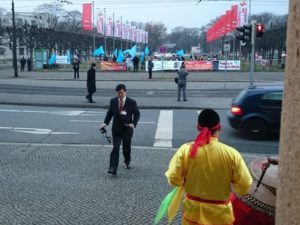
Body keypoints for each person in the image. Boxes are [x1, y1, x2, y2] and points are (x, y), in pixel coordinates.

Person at [165, 109, 252, 225]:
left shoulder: (186, 150)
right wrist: (234, 188)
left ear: (198, 127)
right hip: (221, 214)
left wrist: (184, 181)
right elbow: (245, 185)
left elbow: (173, 178)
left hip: (193, 213)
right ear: (219, 127)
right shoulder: (232, 154)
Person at [100, 84, 140, 175]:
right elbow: (110, 113)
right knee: (116, 148)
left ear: (125, 92)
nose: (120, 95)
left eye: (121, 93)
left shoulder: (131, 102)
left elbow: (137, 114)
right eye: (118, 93)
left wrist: (133, 124)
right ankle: (113, 168)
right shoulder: (113, 101)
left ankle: (127, 161)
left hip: (127, 129)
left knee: (126, 148)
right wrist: (105, 123)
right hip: (116, 129)